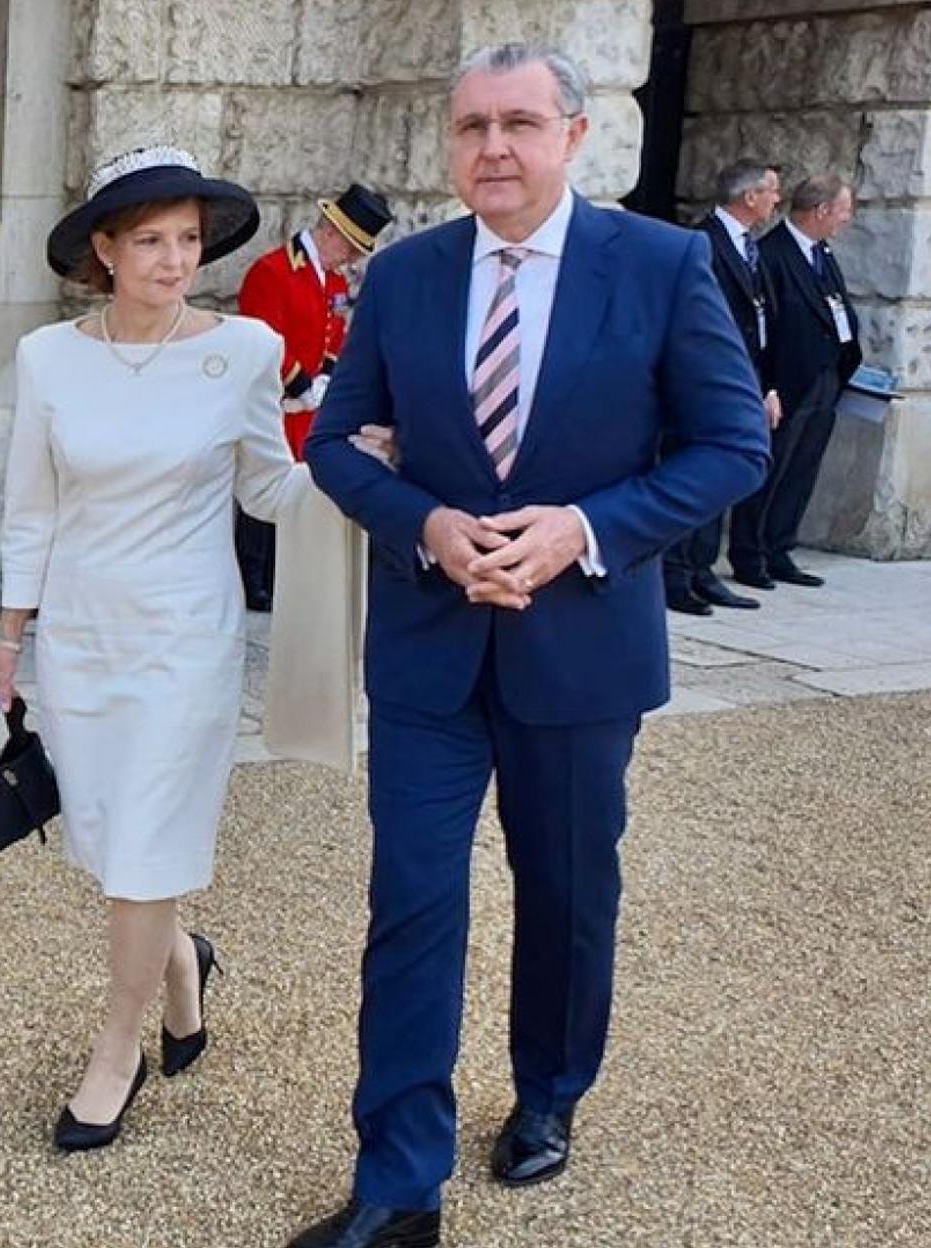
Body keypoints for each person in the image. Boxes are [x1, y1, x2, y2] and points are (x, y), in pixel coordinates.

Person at [288, 43, 769, 1248]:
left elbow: (729, 448)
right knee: (411, 903)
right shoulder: (403, 280)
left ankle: (550, 1093)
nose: (491, 149)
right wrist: (431, 528)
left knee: (564, 894)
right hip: (429, 653)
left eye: (516, 124)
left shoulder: (660, 267)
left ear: (572, 135)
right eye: (469, 129)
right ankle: (399, 1182)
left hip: (582, 650)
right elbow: (339, 444)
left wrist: (585, 532)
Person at [0, 146, 389, 1154]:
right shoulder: (48, 359)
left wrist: (349, 468)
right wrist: (7, 643)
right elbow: (30, 510)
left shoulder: (242, 349)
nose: (172, 260)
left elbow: (267, 489)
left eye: (188, 240)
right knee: (118, 845)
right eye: (150, 240)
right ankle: (182, 966)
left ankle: (117, 1053)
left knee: (148, 838)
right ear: (103, 252)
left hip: (186, 644)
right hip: (83, 639)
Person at [234, 185, 394, 609]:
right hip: (274, 401)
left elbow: (333, 330)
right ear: (332, 234)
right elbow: (262, 337)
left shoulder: (335, 278)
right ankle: (252, 575)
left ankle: (278, 572)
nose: (353, 259)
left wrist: (326, 374)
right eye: (353, 249)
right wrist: (299, 382)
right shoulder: (273, 271)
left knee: (297, 488)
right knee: (263, 484)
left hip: (307, 408)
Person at [729, 174, 861, 590]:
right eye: (843, 210)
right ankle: (749, 554)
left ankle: (778, 547)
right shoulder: (772, 254)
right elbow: (764, 325)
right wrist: (768, 384)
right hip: (786, 383)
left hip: (824, 378)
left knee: (801, 469)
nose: (847, 218)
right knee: (772, 466)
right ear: (821, 211)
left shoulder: (822, 253)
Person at [664, 159, 783, 616]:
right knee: (690, 473)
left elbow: (758, 322)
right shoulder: (702, 243)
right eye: (770, 191)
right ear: (749, 196)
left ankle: (701, 569)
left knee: (720, 478)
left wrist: (764, 384)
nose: (776, 200)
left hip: (742, 378)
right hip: (703, 382)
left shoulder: (751, 248)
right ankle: (675, 574)